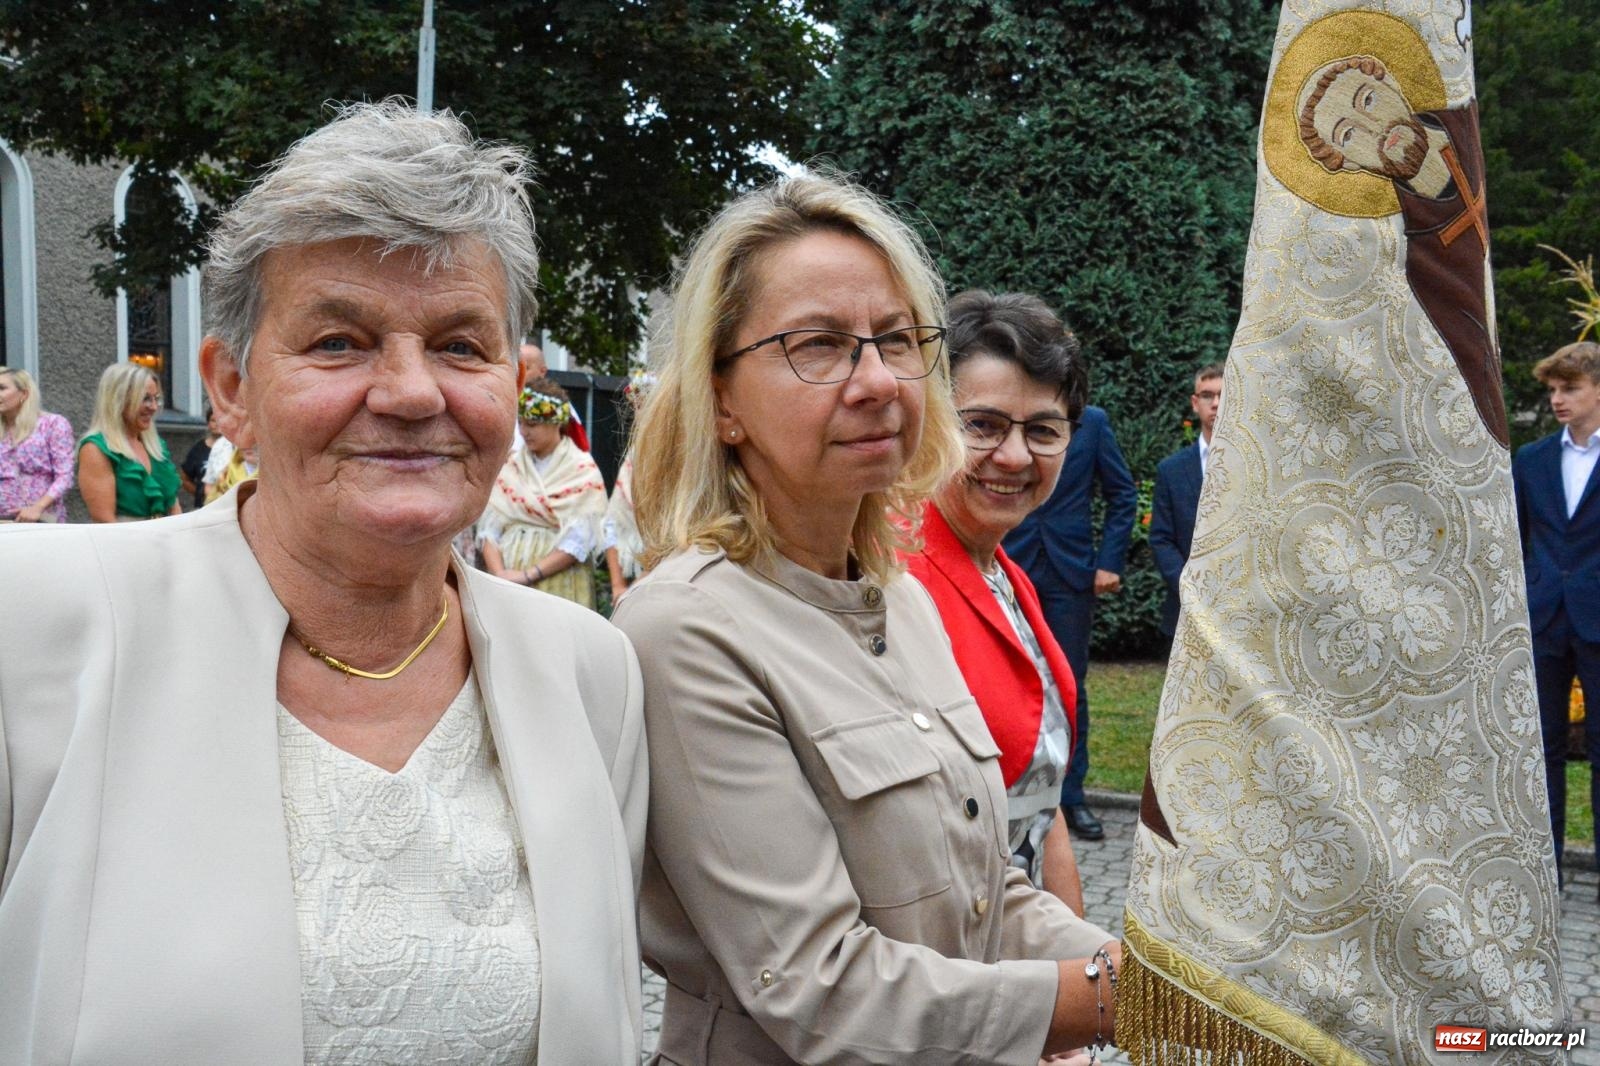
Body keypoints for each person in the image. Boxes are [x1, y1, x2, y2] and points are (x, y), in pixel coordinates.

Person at [0, 101, 646, 1063]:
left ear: (512, 385)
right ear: (229, 390)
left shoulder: (591, 675)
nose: (412, 392)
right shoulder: (37, 623)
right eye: (339, 342)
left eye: (460, 346)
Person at [614, 171, 1118, 1065]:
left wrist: (1158, 980)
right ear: (721, 399)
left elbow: (981, 894)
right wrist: (1116, 1003)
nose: (878, 380)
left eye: (896, 339)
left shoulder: (904, 604)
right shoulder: (686, 632)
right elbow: (822, 991)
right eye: (818, 345)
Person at [902, 289, 1090, 919]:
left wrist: (1082, 968)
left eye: (1042, 430)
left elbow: (1045, 797)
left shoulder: (1006, 575)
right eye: (981, 425)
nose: (1014, 457)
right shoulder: (894, 584)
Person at [1297, 54, 1504, 446]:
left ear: (1391, 82)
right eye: (1347, 135)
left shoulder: (1464, 123)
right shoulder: (1417, 260)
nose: (1374, 128)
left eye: (1369, 100)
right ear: (1346, 163)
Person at [1003, 399, 1136, 842]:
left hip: (1069, 573)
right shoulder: (1010, 412)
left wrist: (1109, 562)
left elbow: (1122, 494)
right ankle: (1005, 786)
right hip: (1008, 560)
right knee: (1003, 676)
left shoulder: (1092, 422)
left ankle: (1071, 797)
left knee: (1069, 685)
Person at [1513, 340, 1600, 891]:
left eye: (1570, 388)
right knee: (1539, 746)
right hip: (1542, 618)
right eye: (1553, 391)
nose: (1558, 400)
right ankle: (1547, 870)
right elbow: (1519, 537)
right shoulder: (1532, 459)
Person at [479, 376, 608, 608]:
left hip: (558, 584)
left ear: (557, 422)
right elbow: (489, 528)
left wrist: (530, 575)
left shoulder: (581, 470)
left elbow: (580, 538)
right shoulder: (511, 466)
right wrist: (499, 575)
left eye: (533, 424)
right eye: (521, 423)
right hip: (506, 584)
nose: (524, 431)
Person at [1149, 362, 1224, 642]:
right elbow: (1161, 539)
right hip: (1185, 611)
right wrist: (1191, 589)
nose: (1215, 403)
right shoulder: (1171, 470)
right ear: (1195, 403)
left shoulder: (1256, 468)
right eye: (1207, 395)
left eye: (1223, 394)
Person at [77, 362, 183, 522]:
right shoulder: (96, 449)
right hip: (124, 542)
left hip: (164, 540)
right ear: (118, 399)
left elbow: (174, 507)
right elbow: (104, 520)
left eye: (156, 399)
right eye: (145, 399)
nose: (154, 407)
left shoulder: (156, 446)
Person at [603, 370, 653, 603]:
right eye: (637, 406)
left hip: (668, 576)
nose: (641, 413)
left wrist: (642, 581)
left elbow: (679, 532)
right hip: (633, 582)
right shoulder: (634, 456)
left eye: (648, 404)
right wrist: (617, 585)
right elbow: (612, 522)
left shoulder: (686, 459)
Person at [0, 367, 74, 523]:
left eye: (2, 388)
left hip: (42, 519)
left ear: (24, 394)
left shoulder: (53, 424)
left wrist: (38, 508)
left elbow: (65, 476)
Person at [180, 405, 225, 509]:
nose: (216, 424)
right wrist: (199, 493)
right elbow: (184, 478)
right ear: (208, 424)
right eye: (213, 420)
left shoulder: (232, 448)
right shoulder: (198, 449)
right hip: (203, 506)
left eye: (219, 420)